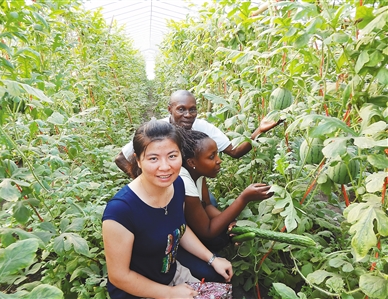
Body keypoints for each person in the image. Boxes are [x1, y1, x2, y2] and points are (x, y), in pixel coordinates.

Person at [102, 120, 233, 299]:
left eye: (172, 156)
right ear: (138, 160)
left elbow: (179, 228)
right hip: (139, 291)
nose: (165, 167)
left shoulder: (177, 185)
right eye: (153, 158)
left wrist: (212, 258)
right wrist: (170, 293)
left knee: (222, 282)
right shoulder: (120, 211)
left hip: (172, 274)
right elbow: (119, 277)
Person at [115, 89, 282, 179]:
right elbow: (120, 158)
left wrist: (259, 130)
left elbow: (235, 151)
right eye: (181, 109)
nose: (188, 115)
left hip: (191, 184)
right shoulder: (157, 129)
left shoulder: (202, 126)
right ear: (170, 109)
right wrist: (143, 182)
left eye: (192, 109)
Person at [176, 130, 274, 282]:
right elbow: (207, 230)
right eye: (211, 156)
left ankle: (206, 254)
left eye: (217, 154)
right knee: (217, 275)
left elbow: (207, 205)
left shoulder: (197, 173)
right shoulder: (183, 180)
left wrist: (229, 223)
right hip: (172, 242)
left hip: (185, 228)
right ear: (191, 162)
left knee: (222, 236)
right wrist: (244, 198)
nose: (219, 160)